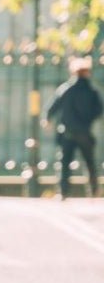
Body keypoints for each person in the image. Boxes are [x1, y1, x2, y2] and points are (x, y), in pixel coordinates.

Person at [45, 56, 103, 198]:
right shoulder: (92, 91)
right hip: (85, 132)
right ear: (87, 72)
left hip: (68, 132)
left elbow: (53, 106)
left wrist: (47, 119)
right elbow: (99, 110)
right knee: (89, 163)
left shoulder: (66, 89)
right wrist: (88, 119)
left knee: (65, 163)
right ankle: (94, 190)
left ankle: (63, 191)